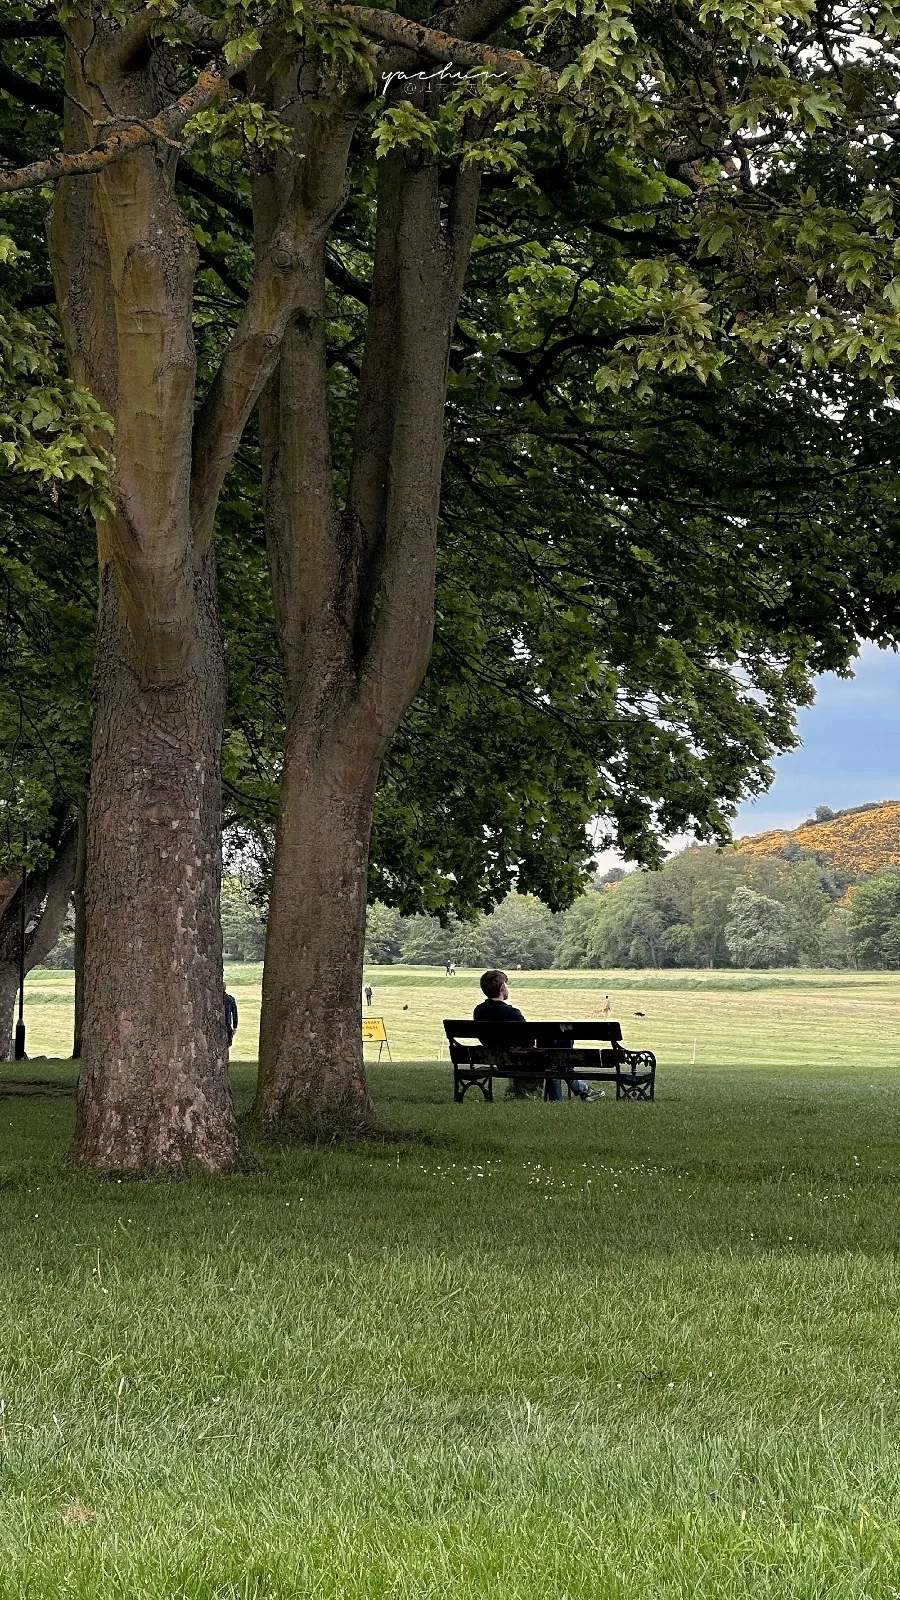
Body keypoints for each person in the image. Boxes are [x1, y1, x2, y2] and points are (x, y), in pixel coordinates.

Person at [473, 970, 596, 1101]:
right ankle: (574, 1094)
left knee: (555, 1057)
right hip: (520, 1061)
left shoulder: (479, 1011)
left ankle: (584, 1091)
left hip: (498, 1061)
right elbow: (529, 1040)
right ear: (502, 988)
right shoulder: (512, 1013)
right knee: (555, 1060)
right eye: (506, 985)